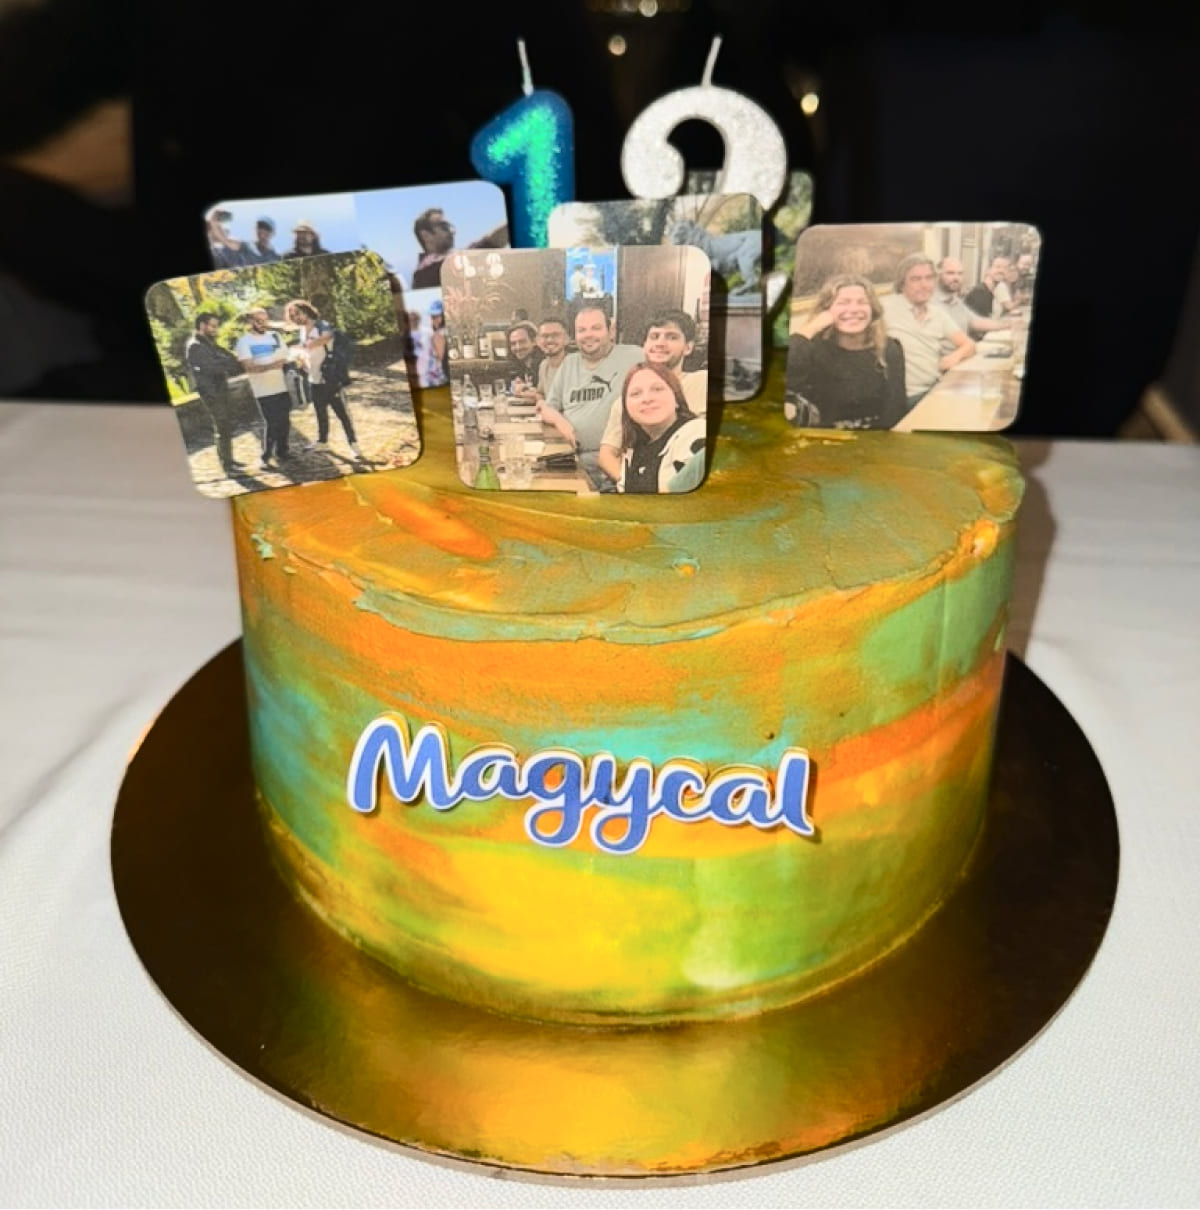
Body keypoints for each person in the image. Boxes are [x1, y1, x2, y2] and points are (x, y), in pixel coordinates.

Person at [539, 304, 642, 488]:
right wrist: (560, 422)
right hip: (572, 457)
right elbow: (547, 408)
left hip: (615, 460)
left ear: (611, 331)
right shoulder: (569, 363)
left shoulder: (634, 356)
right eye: (582, 330)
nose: (588, 335)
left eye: (596, 328)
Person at [597, 310, 708, 479]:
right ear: (644, 345)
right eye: (654, 337)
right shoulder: (628, 400)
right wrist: (630, 483)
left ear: (688, 347)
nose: (660, 343)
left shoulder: (702, 382)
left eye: (671, 337)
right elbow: (607, 454)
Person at [786, 274, 907, 429]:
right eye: (843, 303)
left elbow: (895, 407)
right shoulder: (812, 349)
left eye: (862, 302)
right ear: (826, 311)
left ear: (873, 310)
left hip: (874, 436)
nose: (854, 310)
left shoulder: (889, 348)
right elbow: (785, 380)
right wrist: (812, 327)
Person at [881, 255, 976, 408]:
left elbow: (969, 345)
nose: (924, 285)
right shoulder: (885, 308)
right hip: (906, 398)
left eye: (929, 278)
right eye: (915, 279)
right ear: (902, 284)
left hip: (935, 389)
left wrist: (954, 357)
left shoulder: (937, 313)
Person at [613, 363, 706, 494]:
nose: (647, 399)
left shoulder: (696, 433)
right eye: (635, 394)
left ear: (677, 399)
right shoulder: (633, 449)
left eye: (657, 389)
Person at [285, 299, 362, 458]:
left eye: (297, 313)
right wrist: (302, 360)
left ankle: (354, 444)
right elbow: (308, 351)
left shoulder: (322, 325)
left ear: (306, 311)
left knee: (342, 413)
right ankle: (322, 441)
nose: (295, 317)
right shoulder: (302, 331)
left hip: (329, 378)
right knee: (320, 412)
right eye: (292, 315)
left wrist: (304, 346)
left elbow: (326, 337)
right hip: (314, 378)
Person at [184, 311, 247, 473]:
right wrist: (225, 363)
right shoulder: (195, 346)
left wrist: (227, 362)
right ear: (202, 325)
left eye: (216, 326)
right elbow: (212, 367)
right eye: (212, 326)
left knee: (225, 425)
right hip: (210, 392)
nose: (215, 329)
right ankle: (227, 466)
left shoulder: (208, 343)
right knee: (222, 425)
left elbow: (229, 358)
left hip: (220, 389)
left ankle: (229, 460)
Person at [235, 307, 293, 468]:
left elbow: (286, 357)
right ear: (250, 321)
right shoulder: (244, 342)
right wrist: (273, 365)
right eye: (258, 320)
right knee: (271, 422)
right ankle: (265, 456)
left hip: (281, 386)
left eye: (265, 320)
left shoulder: (275, 336)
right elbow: (249, 367)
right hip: (263, 390)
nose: (262, 324)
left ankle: (282, 451)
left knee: (284, 420)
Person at [934, 257, 1010, 340]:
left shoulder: (955, 301)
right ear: (938, 275)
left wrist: (1009, 324)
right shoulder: (931, 302)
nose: (956, 278)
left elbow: (976, 322)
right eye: (950, 273)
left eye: (960, 274)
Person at [533, 317, 569, 397]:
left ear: (566, 339)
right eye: (544, 336)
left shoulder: (574, 367)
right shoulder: (543, 365)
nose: (549, 340)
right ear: (537, 341)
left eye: (555, 335)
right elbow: (541, 394)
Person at [505, 320, 542, 393]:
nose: (518, 347)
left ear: (534, 341)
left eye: (522, 342)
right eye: (513, 343)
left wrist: (525, 389)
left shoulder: (544, 365)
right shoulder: (516, 367)